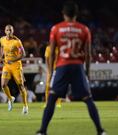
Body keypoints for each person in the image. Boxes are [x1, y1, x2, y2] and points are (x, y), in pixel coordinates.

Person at [36, 2, 106, 135]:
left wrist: (51, 71)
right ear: (76, 14)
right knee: (88, 98)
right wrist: (87, 71)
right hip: (77, 66)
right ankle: (100, 131)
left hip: (62, 66)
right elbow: (88, 53)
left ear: (63, 13)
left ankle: (42, 131)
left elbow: (51, 52)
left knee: (51, 99)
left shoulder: (56, 29)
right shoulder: (84, 29)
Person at [0, 24, 28, 114]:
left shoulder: (17, 41)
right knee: (3, 85)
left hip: (16, 66)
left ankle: (25, 105)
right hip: (7, 65)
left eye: (10, 30)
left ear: (13, 31)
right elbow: (2, 47)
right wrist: (1, 57)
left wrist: (13, 60)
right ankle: (10, 99)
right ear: (5, 31)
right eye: (7, 30)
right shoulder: (2, 39)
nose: (8, 32)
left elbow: (23, 54)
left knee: (20, 86)